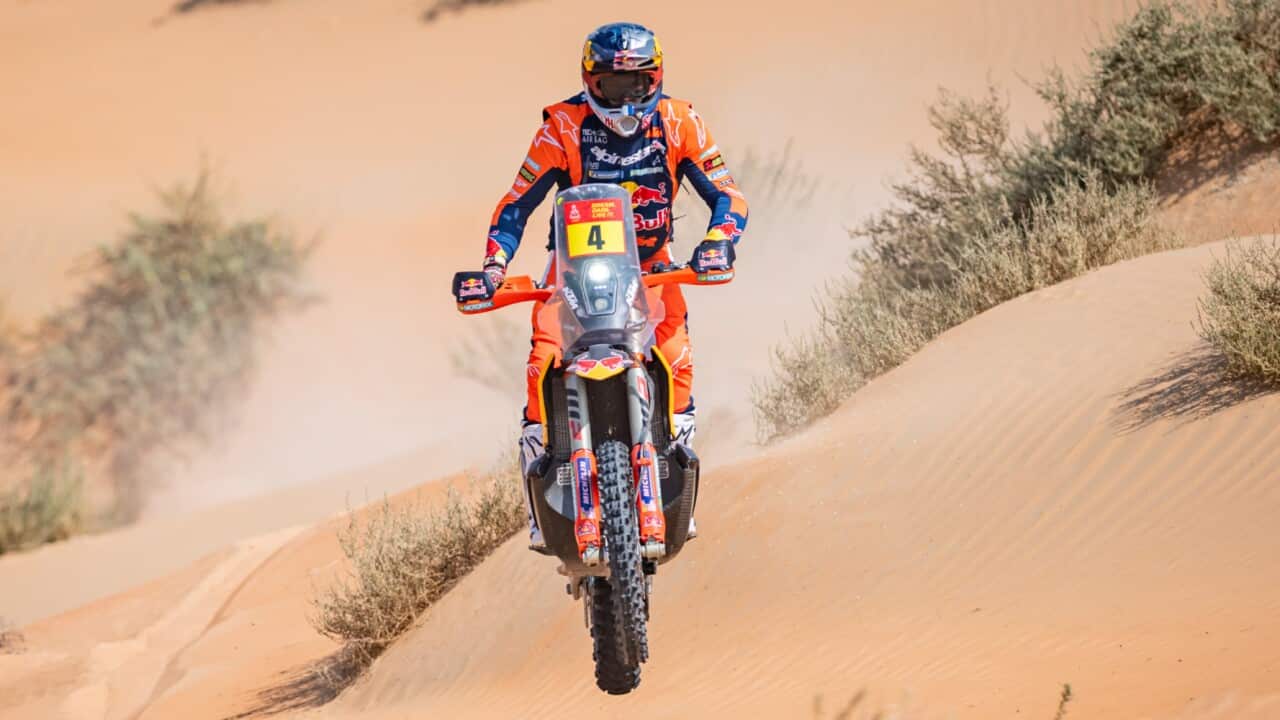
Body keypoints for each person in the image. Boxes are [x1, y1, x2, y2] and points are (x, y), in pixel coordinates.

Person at [481, 22, 748, 547]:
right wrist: (493, 265)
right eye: (612, 84)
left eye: (637, 84)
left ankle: (679, 493)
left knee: (678, 362)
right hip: (570, 271)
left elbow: (728, 194)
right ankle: (539, 510)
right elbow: (516, 205)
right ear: (590, 80)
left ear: (656, 79)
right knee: (541, 365)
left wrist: (719, 241)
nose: (626, 97)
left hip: (652, 267)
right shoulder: (562, 126)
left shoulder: (679, 120)